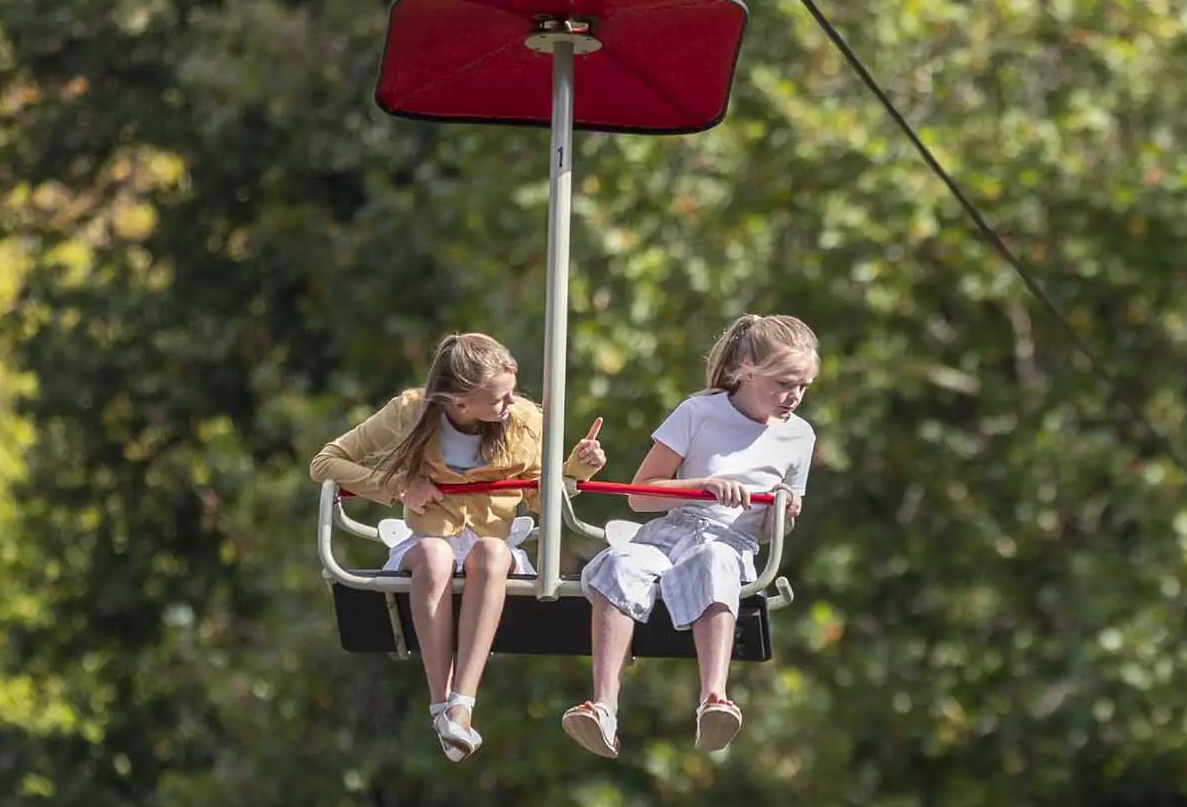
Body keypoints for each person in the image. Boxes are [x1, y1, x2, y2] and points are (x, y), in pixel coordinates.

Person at [311, 333, 604, 761]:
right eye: (500, 398)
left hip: (492, 546)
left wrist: (576, 470)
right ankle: (441, 702)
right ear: (460, 402)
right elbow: (325, 462)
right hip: (429, 541)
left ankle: (462, 704)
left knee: (492, 552)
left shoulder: (525, 421)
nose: (510, 405)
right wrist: (397, 486)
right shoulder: (410, 412)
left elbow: (540, 498)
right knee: (435, 554)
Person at [564, 314, 818, 757]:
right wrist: (700, 488)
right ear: (747, 370)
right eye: (783, 383)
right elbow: (640, 497)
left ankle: (714, 698)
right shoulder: (699, 412)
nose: (793, 396)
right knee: (623, 563)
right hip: (673, 530)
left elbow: (770, 532)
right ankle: (603, 704)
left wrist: (783, 511)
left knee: (714, 561)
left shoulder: (799, 436)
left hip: (729, 542)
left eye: (803, 386)